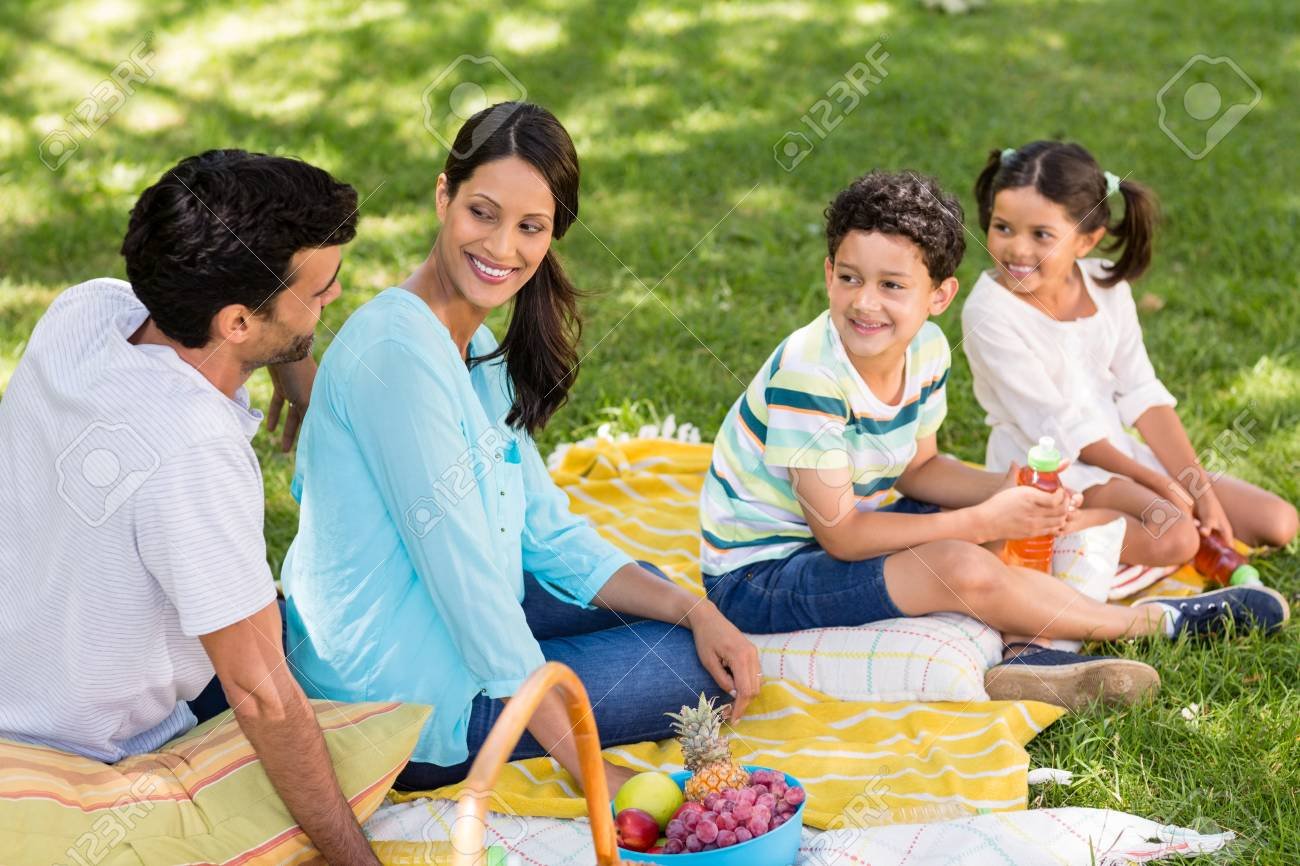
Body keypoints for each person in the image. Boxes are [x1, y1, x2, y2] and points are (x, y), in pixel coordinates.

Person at [279, 102, 760, 795]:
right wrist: (591, 771)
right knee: (683, 666)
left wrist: (699, 609)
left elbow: (544, 529)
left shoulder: (476, 346)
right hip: (396, 702)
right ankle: (532, 702)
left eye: (529, 227)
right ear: (443, 197)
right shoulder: (397, 356)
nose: (502, 247)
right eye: (483, 213)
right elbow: (466, 585)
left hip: (441, 620)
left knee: (670, 605)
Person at [699, 169, 1289, 711]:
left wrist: (1004, 491)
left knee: (1011, 525)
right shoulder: (810, 376)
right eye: (849, 277)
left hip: (836, 542)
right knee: (960, 557)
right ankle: (1151, 623)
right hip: (761, 578)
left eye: (892, 285)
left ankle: (1027, 653)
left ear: (939, 296)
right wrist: (979, 521)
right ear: (829, 273)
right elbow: (844, 536)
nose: (865, 301)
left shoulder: (926, 350)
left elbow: (920, 469)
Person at [0, 150, 384, 865]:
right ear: (237, 322)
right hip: (84, 740)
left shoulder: (87, 311)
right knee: (403, 697)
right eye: (321, 290)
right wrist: (356, 859)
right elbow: (261, 695)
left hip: (23, 666)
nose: (334, 296)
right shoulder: (192, 451)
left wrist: (291, 364)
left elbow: (207, 306)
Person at [961, 140, 1297, 567]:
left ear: (1087, 240)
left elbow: (1142, 392)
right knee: (1176, 535)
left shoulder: (1106, 285)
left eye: (1041, 234)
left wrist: (1198, 490)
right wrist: (1154, 482)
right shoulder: (989, 313)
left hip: (1117, 455)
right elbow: (1063, 429)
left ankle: (1112, 523)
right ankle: (1056, 525)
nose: (1017, 249)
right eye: (1003, 227)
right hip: (1053, 468)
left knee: (1279, 522)